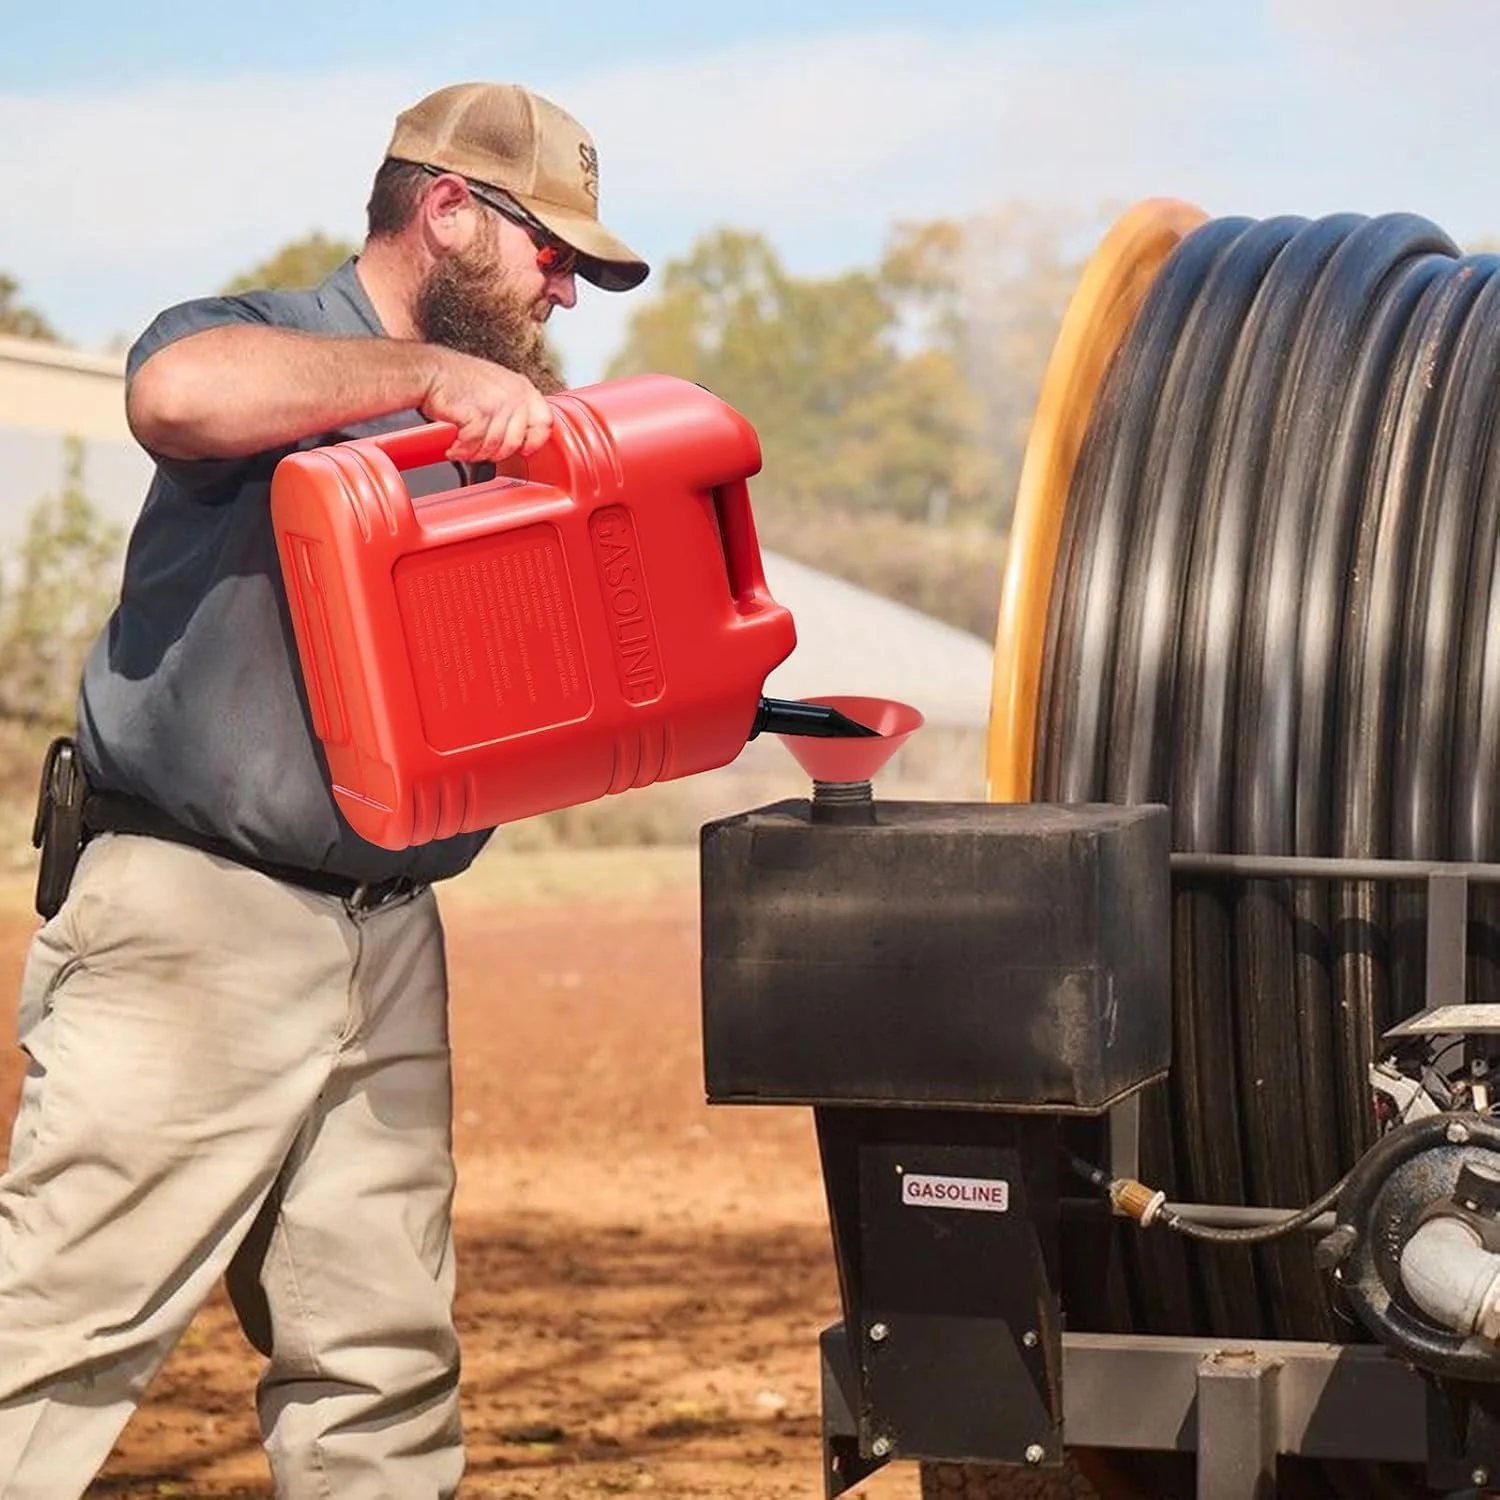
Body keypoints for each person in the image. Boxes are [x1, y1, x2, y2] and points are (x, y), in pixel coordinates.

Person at [0, 81, 648, 1499]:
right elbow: (175, 398)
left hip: (389, 933)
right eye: (552, 255)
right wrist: (419, 379)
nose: (565, 294)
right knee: (55, 1334)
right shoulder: (272, 341)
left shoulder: (505, 426)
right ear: (449, 213)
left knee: (382, 1367)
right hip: (195, 927)